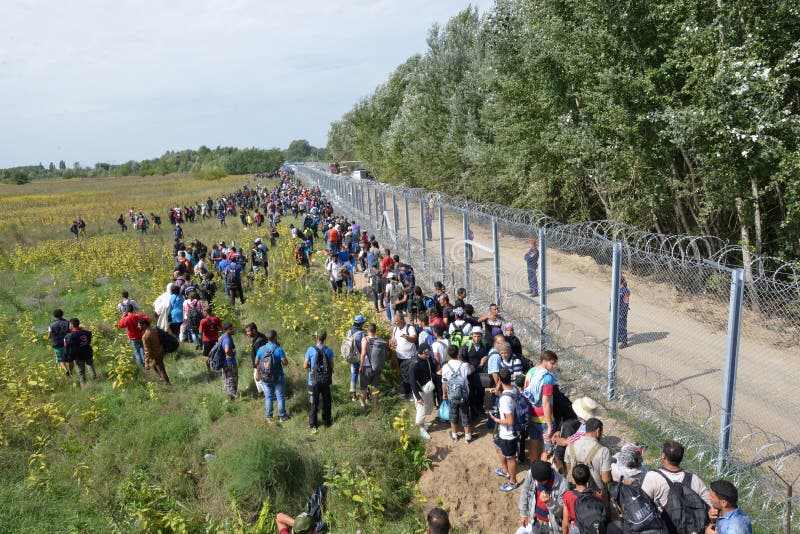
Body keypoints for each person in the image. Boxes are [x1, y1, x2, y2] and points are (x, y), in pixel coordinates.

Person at [640, 440, 712, 510]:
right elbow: (710, 504)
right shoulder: (693, 479)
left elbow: (642, 503)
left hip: (663, 521)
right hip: (690, 521)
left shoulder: (652, 477)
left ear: (663, 455)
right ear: (681, 457)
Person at [564, 418, 612, 504]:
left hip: (575, 492)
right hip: (595, 495)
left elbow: (568, 470)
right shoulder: (604, 451)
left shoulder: (570, 446)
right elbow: (606, 479)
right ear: (598, 431)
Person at [523, 350, 559, 462]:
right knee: (546, 449)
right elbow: (546, 403)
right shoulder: (547, 378)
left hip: (532, 415)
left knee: (533, 443)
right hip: (544, 418)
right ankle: (542, 472)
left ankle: (534, 468)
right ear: (544, 361)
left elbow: (525, 390)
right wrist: (549, 425)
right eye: (552, 363)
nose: (554, 366)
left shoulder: (531, 372)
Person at [490, 368, 521, 492]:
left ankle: (513, 481)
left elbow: (510, 421)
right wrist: (498, 393)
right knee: (497, 446)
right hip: (505, 432)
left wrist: (496, 420)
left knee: (511, 458)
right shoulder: (513, 388)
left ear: (500, 380)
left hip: (509, 434)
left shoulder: (505, 400)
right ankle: (505, 471)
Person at [518, 460, 569, 534]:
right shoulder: (532, 473)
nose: (537, 483)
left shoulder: (562, 485)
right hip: (536, 522)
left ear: (547, 479)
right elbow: (524, 492)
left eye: (539, 481)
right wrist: (523, 513)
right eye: (535, 480)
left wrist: (549, 502)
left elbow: (561, 512)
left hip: (551, 527)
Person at [441, 345, 474, 443]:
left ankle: (454, 435)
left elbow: (444, 382)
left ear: (448, 354)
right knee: (465, 413)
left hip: (452, 395)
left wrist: (444, 394)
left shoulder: (445, 367)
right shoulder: (463, 365)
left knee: (453, 413)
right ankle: (468, 436)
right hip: (464, 394)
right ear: (458, 353)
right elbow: (470, 372)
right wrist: (470, 366)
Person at [304, 330, 335, 432]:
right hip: (325, 380)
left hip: (313, 381)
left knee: (313, 403)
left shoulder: (310, 350)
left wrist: (310, 366)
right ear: (324, 338)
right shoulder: (329, 350)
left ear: (316, 337)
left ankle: (313, 425)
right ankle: (327, 422)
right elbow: (332, 366)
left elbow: (305, 366)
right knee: (326, 401)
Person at [256, 330, 289, 422]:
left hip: (265, 377)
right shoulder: (278, 349)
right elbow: (285, 363)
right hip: (278, 376)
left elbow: (256, 362)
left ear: (267, 338)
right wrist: (284, 359)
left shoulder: (261, 349)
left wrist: (257, 373)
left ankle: (269, 417)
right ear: (276, 337)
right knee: (280, 396)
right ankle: (282, 417)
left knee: (268, 397)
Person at [562, 464, 603, 534]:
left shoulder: (567, 496)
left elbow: (565, 523)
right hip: (590, 529)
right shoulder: (597, 495)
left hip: (575, 529)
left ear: (574, 479)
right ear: (588, 479)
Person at [410, 343, 436, 440]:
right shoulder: (414, 364)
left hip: (428, 388)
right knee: (421, 409)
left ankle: (422, 421)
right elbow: (412, 382)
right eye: (426, 354)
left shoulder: (427, 360)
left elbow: (432, 369)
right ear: (420, 353)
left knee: (429, 405)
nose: (428, 356)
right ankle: (421, 428)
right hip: (419, 390)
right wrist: (418, 397)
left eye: (429, 354)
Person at [390, 312, 417, 400]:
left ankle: (413, 394)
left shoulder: (410, 328)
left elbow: (414, 339)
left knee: (411, 375)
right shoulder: (395, 329)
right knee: (404, 375)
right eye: (395, 322)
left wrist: (406, 337)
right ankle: (407, 393)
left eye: (396, 322)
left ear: (401, 321)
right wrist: (391, 341)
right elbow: (393, 338)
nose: (395, 323)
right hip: (400, 357)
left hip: (410, 356)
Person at [63, 318, 97, 383]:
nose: (69, 326)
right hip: (88, 351)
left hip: (78, 355)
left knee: (80, 371)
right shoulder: (87, 332)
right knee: (90, 366)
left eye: (70, 324)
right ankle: (95, 379)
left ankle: (84, 384)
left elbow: (66, 346)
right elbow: (89, 341)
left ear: (72, 325)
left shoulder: (69, 336)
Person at [139, 317, 171, 385]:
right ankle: (162, 379)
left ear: (144, 325)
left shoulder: (145, 336)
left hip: (156, 354)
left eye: (139, 325)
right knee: (154, 366)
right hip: (162, 350)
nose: (138, 326)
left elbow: (147, 351)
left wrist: (146, 363)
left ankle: (168, 385)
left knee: (161, 369)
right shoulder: (154, 329)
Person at [347, 315, 367, 402]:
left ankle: (353, 396)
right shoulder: (362, 334)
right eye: (363, 322)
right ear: (360, 324)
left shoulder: (348, 332)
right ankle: (365, 396)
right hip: (360, 358)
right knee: (363, 376)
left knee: (353, 375)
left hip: (351, 357)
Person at [48, 309, 71, 375]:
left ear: (54, 316)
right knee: (70, 358)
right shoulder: (67, 322)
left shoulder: (51, 325)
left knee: (60, 359)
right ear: (62, 315)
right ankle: (71, 371)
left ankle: (66, 370)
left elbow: (49, 336)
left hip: (57, 344)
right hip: (67, 343)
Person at [199, 307, 221, 373]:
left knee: (207, 356)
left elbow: (200, 332)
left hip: (207, 340)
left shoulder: (203, 321)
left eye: (203, 311)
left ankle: (209, 371)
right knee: (217, 354)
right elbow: (220, 328)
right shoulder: (216, 319)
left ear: (206, 312)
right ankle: (218, 369)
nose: (202, 312)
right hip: (215, 339)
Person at [219, 323, 238, 400]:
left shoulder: (223, 336)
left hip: (224, 362)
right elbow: (227, 350)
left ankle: (229, 395)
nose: (232, 330)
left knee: (226, 378)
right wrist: (230, 355)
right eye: (230, 329)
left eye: (232, 328)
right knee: (232, 379)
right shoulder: (227, 339)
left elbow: (219, 340)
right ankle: (232, 397)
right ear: (226, 330)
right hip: (230, 363)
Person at [618, 275, 630, 347]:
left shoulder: (625, 291)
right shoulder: (616, 288)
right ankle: (618, 337)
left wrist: (622, 314)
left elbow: (625, 303)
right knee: (616, 326)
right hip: (616, 311)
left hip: (622, 312)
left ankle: (624, 342)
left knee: (622, 326)